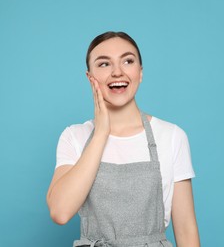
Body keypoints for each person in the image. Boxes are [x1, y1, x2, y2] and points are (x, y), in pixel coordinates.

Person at [46, 31, 200, 247]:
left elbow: (185, 229)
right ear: (90, 77)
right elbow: (60, 212)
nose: (118, 72)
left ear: (140, 72)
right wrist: (101, 133)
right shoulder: (74, 136)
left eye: (128, 61)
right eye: (104, 64)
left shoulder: (172, 136)